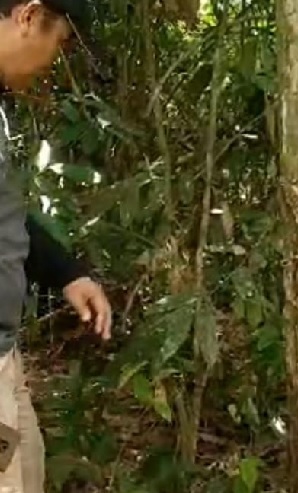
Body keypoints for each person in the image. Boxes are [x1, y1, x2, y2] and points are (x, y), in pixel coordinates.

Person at [0, 0, 112, 491]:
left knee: (29, 469)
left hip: (4, 354)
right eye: (57, 43)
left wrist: (65, 271)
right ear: (29, 16)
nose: (52, 63)